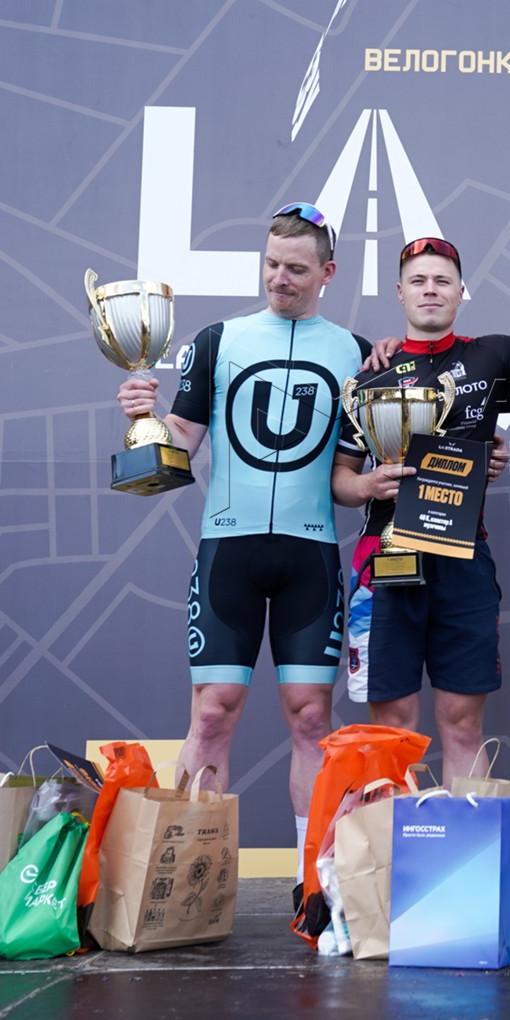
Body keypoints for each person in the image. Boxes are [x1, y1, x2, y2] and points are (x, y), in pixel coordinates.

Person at [116, 203, 368, 893]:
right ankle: (184, 885)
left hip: (310, 556)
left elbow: (350, 471)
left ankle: (314, 882)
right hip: (228, 550)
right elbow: (180, 441)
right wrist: (144, 417)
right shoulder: (218, 339)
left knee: (312, 717)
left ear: (327, 273)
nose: (279, 278)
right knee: (212, 711)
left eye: (296, 269)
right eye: (271, 264)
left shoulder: (356, 352)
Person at [332, 236, 510, 784]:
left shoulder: (492, 354)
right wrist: (368, 483)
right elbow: (340, 480)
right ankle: (392, 840)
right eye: (418, 281)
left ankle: (468, 842)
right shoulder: (369, 376)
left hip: (463, 559)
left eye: (442, 280)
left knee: (463, 724)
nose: (430, 290)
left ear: (462, 292)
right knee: (392, 726)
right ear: (399, 293)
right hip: (383, 562)